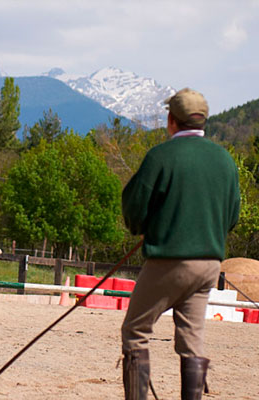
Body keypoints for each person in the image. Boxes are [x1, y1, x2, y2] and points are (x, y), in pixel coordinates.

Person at [120, 88, 240, 400]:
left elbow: (134, 206)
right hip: (209, 265)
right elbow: (232, 215)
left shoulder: (161, 156)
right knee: (192, 340)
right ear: (203, 120)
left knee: (136, 332)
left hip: (169, 261)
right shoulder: (224, 160)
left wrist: (143, 227)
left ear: (172, 120)